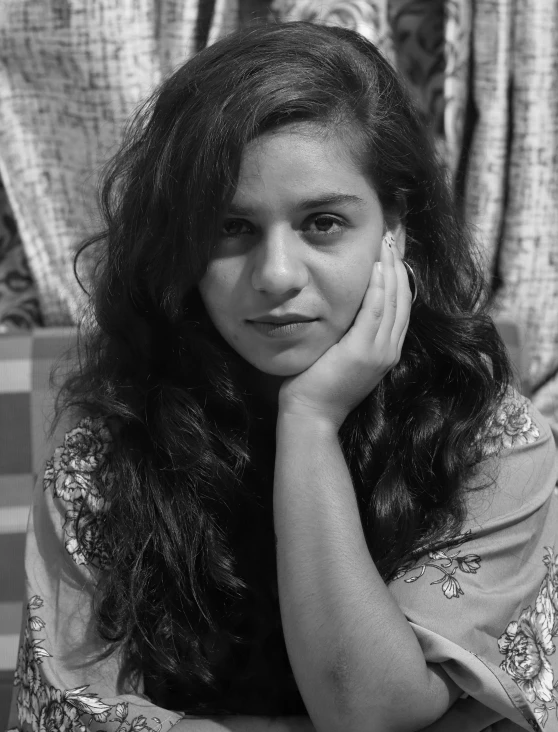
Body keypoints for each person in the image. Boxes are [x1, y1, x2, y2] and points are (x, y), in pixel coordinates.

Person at [7, 19, 558, 732]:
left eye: (322, 222)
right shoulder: (110, 449)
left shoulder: (493, 444)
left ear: (395, 229)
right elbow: (68, 713)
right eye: (231, 228)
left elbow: (369, 713)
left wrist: (310, 420)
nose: (275, 276)